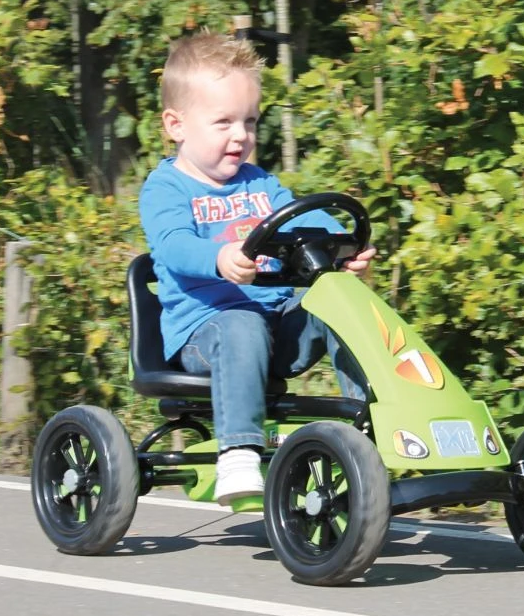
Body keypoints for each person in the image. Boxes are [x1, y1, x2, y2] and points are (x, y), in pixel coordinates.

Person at [138, 31, 376, 505]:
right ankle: (238, 453)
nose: (240, 135)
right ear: (176, 125)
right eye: (223, 122)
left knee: (340, 301)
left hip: (275, 328)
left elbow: (307, 221)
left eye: (249, 121)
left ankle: (372, 428)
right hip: (205, 334)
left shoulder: (261, 185)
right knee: (241, 323)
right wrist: (218, 258)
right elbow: (173, 246)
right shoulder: (166, 188)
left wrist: (345, 251)